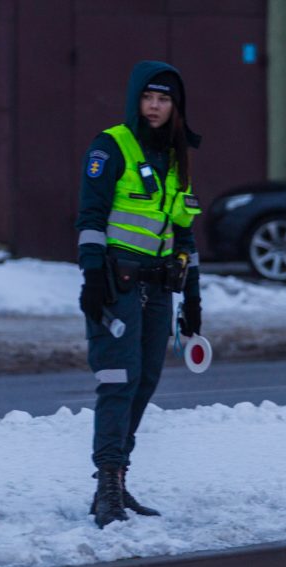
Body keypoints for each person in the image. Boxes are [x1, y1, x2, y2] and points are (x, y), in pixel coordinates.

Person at [75, 60, 203, 529]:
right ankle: (106, 485)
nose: (155, 107)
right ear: (135, 99)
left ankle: (119, 478)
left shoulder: (176, 158)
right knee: (117, 380)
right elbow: (90, 218)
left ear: (176, 107)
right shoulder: (111, 147)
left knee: (145, 381)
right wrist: (92, 277)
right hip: (116, 283)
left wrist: (192, 301)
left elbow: (184, 235)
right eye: (148, 97)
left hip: (158, 289)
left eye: (164, 99)